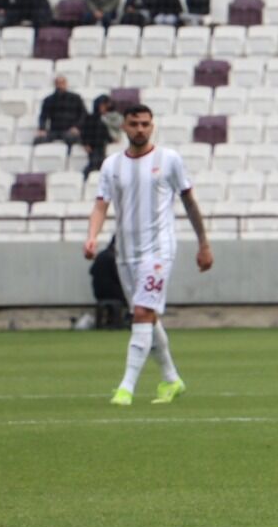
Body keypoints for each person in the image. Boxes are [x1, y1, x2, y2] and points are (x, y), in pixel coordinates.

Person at [85, 104, 214, 407]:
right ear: (125, 128)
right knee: (146, 316)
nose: (140, 129)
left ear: (152, 126)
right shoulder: (111, 166)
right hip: (126, 253)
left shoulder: (168, 160)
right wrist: (92, 236)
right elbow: (101, 204)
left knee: (142, 312)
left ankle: (125, 388)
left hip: (159, 250)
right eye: (134, 124)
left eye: (145, 124)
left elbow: (190, 202)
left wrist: (203, 243)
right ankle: (171, 379)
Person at [36, 76, 88, 147]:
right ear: (55, 85)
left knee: (72, 138)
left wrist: (77, 127)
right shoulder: (48, 100)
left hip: (70, 130)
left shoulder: (75, 98)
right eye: (58, 83)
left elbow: (83, 114)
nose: (60, 86)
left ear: (66, 84)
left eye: (62, 83)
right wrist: (42, 129)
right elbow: (43, 116)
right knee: (39, 139)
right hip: (54, 131)